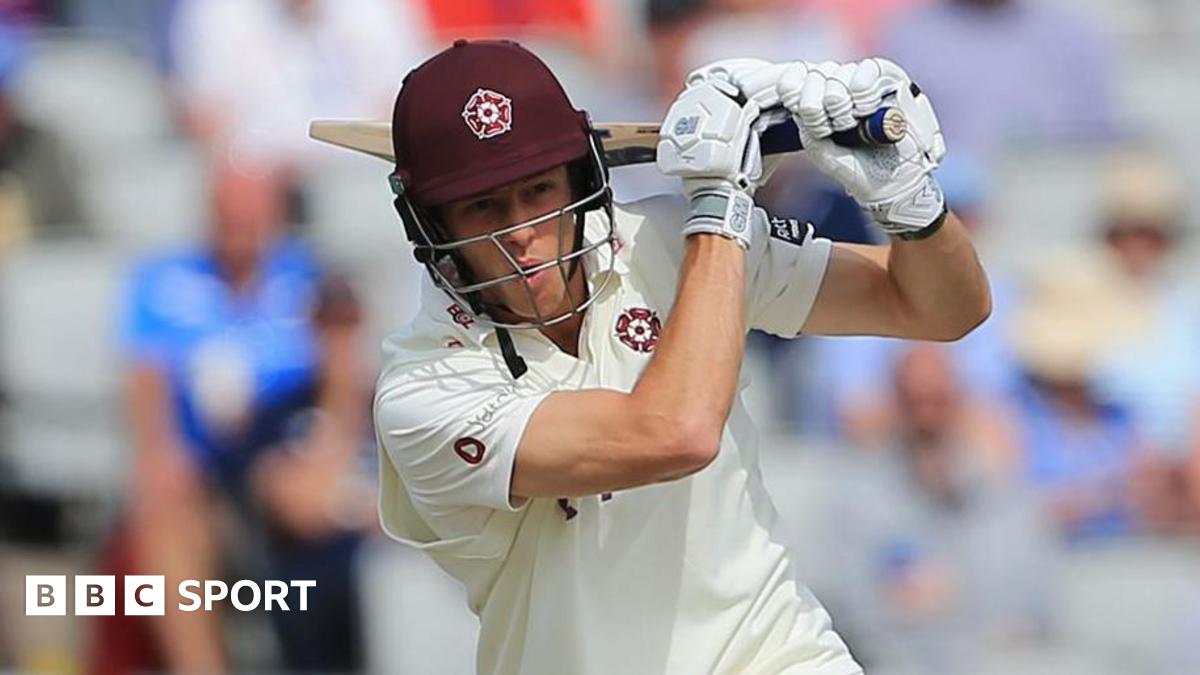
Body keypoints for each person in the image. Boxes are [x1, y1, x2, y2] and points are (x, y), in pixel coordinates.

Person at [372, 40, 990, 674]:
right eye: (483, 207)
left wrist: (908, 200)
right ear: (433, 227)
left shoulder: (666, 241)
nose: (521, 234)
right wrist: (721, 203)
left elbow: (943, 310)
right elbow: (676, 434)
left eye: (537, 191)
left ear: (579, 180)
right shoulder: (423, 390)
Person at [94, 162, 372, 674]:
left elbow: (343, 372)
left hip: (283, 448)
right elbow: (146, 378)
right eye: (228, 217)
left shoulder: (312, 276)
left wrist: (328, 454)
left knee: (303, 501)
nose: (239, 230)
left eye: (251, 217)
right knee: (164, 519)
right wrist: (157, 452)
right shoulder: (163, 280)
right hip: (203, 465)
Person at [820, 345, 1054, 672]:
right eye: (914, 401)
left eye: (939, 400)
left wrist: (959, 597)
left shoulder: (1004, 496)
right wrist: (904, 605)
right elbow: (847, 605)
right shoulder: (859, 497)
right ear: (894, 404)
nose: (927, 417)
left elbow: (1036, 603)